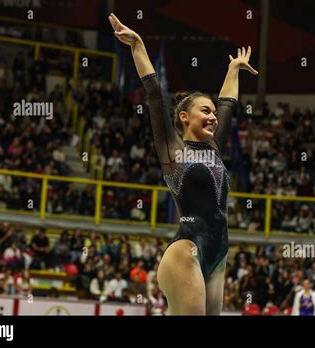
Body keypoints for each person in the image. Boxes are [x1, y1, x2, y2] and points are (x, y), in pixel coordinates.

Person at [108, 13, 257, 315]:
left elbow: (228, 104)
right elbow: (154, 96)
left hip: (217, 253)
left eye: (213, 112)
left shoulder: (214, 147)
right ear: (184, 117)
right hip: (186, 250)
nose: (213, 116)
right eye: (205, 110)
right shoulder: (173, 151)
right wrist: (137, 45)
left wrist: (233, 68)